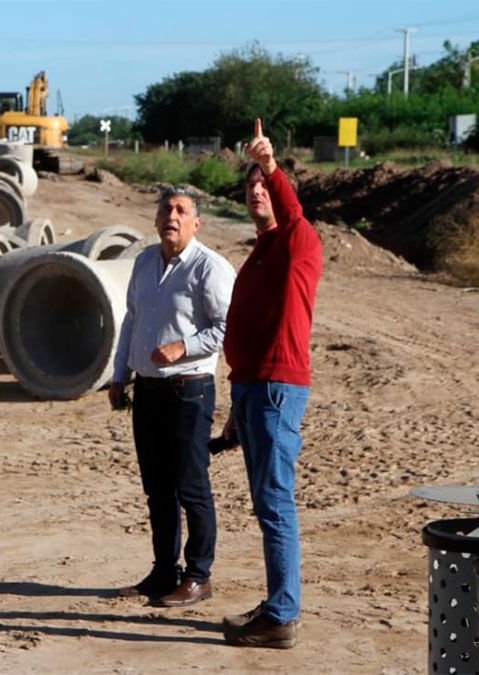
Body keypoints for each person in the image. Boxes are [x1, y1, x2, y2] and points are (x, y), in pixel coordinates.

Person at [220, 118, 323, 649]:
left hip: (277, 388)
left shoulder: (298, 242)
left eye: (264, 186)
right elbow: (249, 335)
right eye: (251, 187)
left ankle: (282, 614)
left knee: (275, 502)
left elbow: (296, 211)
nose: (257, 191)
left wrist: (269, 164)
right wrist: (235, 414)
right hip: (254, 389)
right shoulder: (259, 254)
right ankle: (277, 607)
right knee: (267, 502)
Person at [109, 185, 236, 607]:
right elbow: (132, 318)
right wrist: (119, 372)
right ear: (156, 218)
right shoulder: (145, 262)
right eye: (166, 209)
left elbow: (227, 326)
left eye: (182, 210)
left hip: (189, 390)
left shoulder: (209, 268)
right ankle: (165, 571)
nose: (173, 216)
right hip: (147, 391)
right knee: (157, 489)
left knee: (190, 486)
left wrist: (184, 347)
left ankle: (199, 575)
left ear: (196, 222)